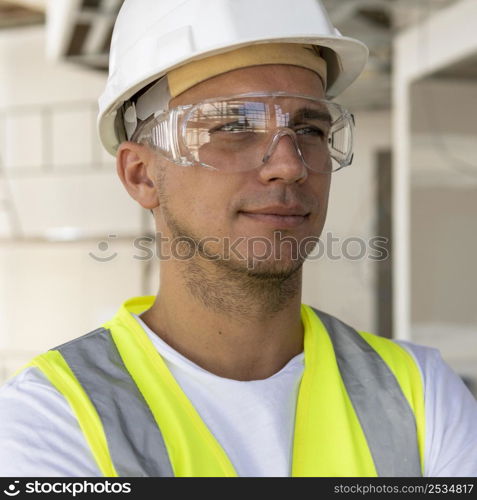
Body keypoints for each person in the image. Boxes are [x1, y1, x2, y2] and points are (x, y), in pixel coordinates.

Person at [1, 0, 476, 478]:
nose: (289, 164)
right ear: (142, 174)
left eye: (309, 128)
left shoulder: (420, 393)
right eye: (233, 125)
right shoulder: (51, 416)